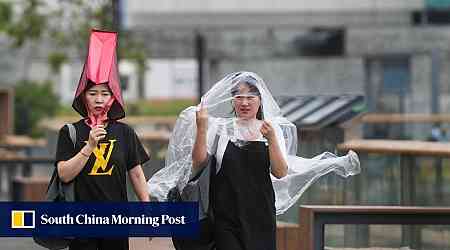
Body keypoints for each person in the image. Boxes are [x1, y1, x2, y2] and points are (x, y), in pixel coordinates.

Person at [148, 72, 360, 250]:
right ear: (232, 100)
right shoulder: (220, 129)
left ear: (260, 100)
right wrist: (202, 127)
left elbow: (280, 172)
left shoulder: (270, 129)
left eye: (251, 97)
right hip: (225, 217)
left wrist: (271, 139)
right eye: (239, 97)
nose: (245, 102)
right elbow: (198, 163)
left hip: (260, 216)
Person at [55, 29, 150, 250]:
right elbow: (64, 174)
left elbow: (135, 173)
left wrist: (146, 206)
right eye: (93, 93)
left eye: (105, 94)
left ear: (113, 97)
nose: (99, 99)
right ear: (83, 97)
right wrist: (89, 146)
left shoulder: (124, 132)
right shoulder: (70, 132)